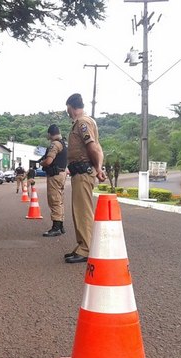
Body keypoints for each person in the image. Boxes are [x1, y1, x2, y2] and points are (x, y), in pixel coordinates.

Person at [64, 93, 106, 263]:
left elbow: (93, 147)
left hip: (82, 171)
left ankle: (86, 249)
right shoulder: (86, 122)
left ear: (71, 107)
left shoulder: (82, 122)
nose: (67, 112)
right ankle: (82, 245)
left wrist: (98, 167)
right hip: (79, 172)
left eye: (67, 108)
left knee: (83, 211)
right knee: (79, 211)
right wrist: (99, 167)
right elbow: (97, 147)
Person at [40, 124, 68, 237]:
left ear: (49, 134)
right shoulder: (64, 143)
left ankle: (56, 227)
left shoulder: (55, 144)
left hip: (55, 175)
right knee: (59, 200)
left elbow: (48, 161)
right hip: (62, 173)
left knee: (54, 200)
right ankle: (60, 226)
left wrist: (42, 162)